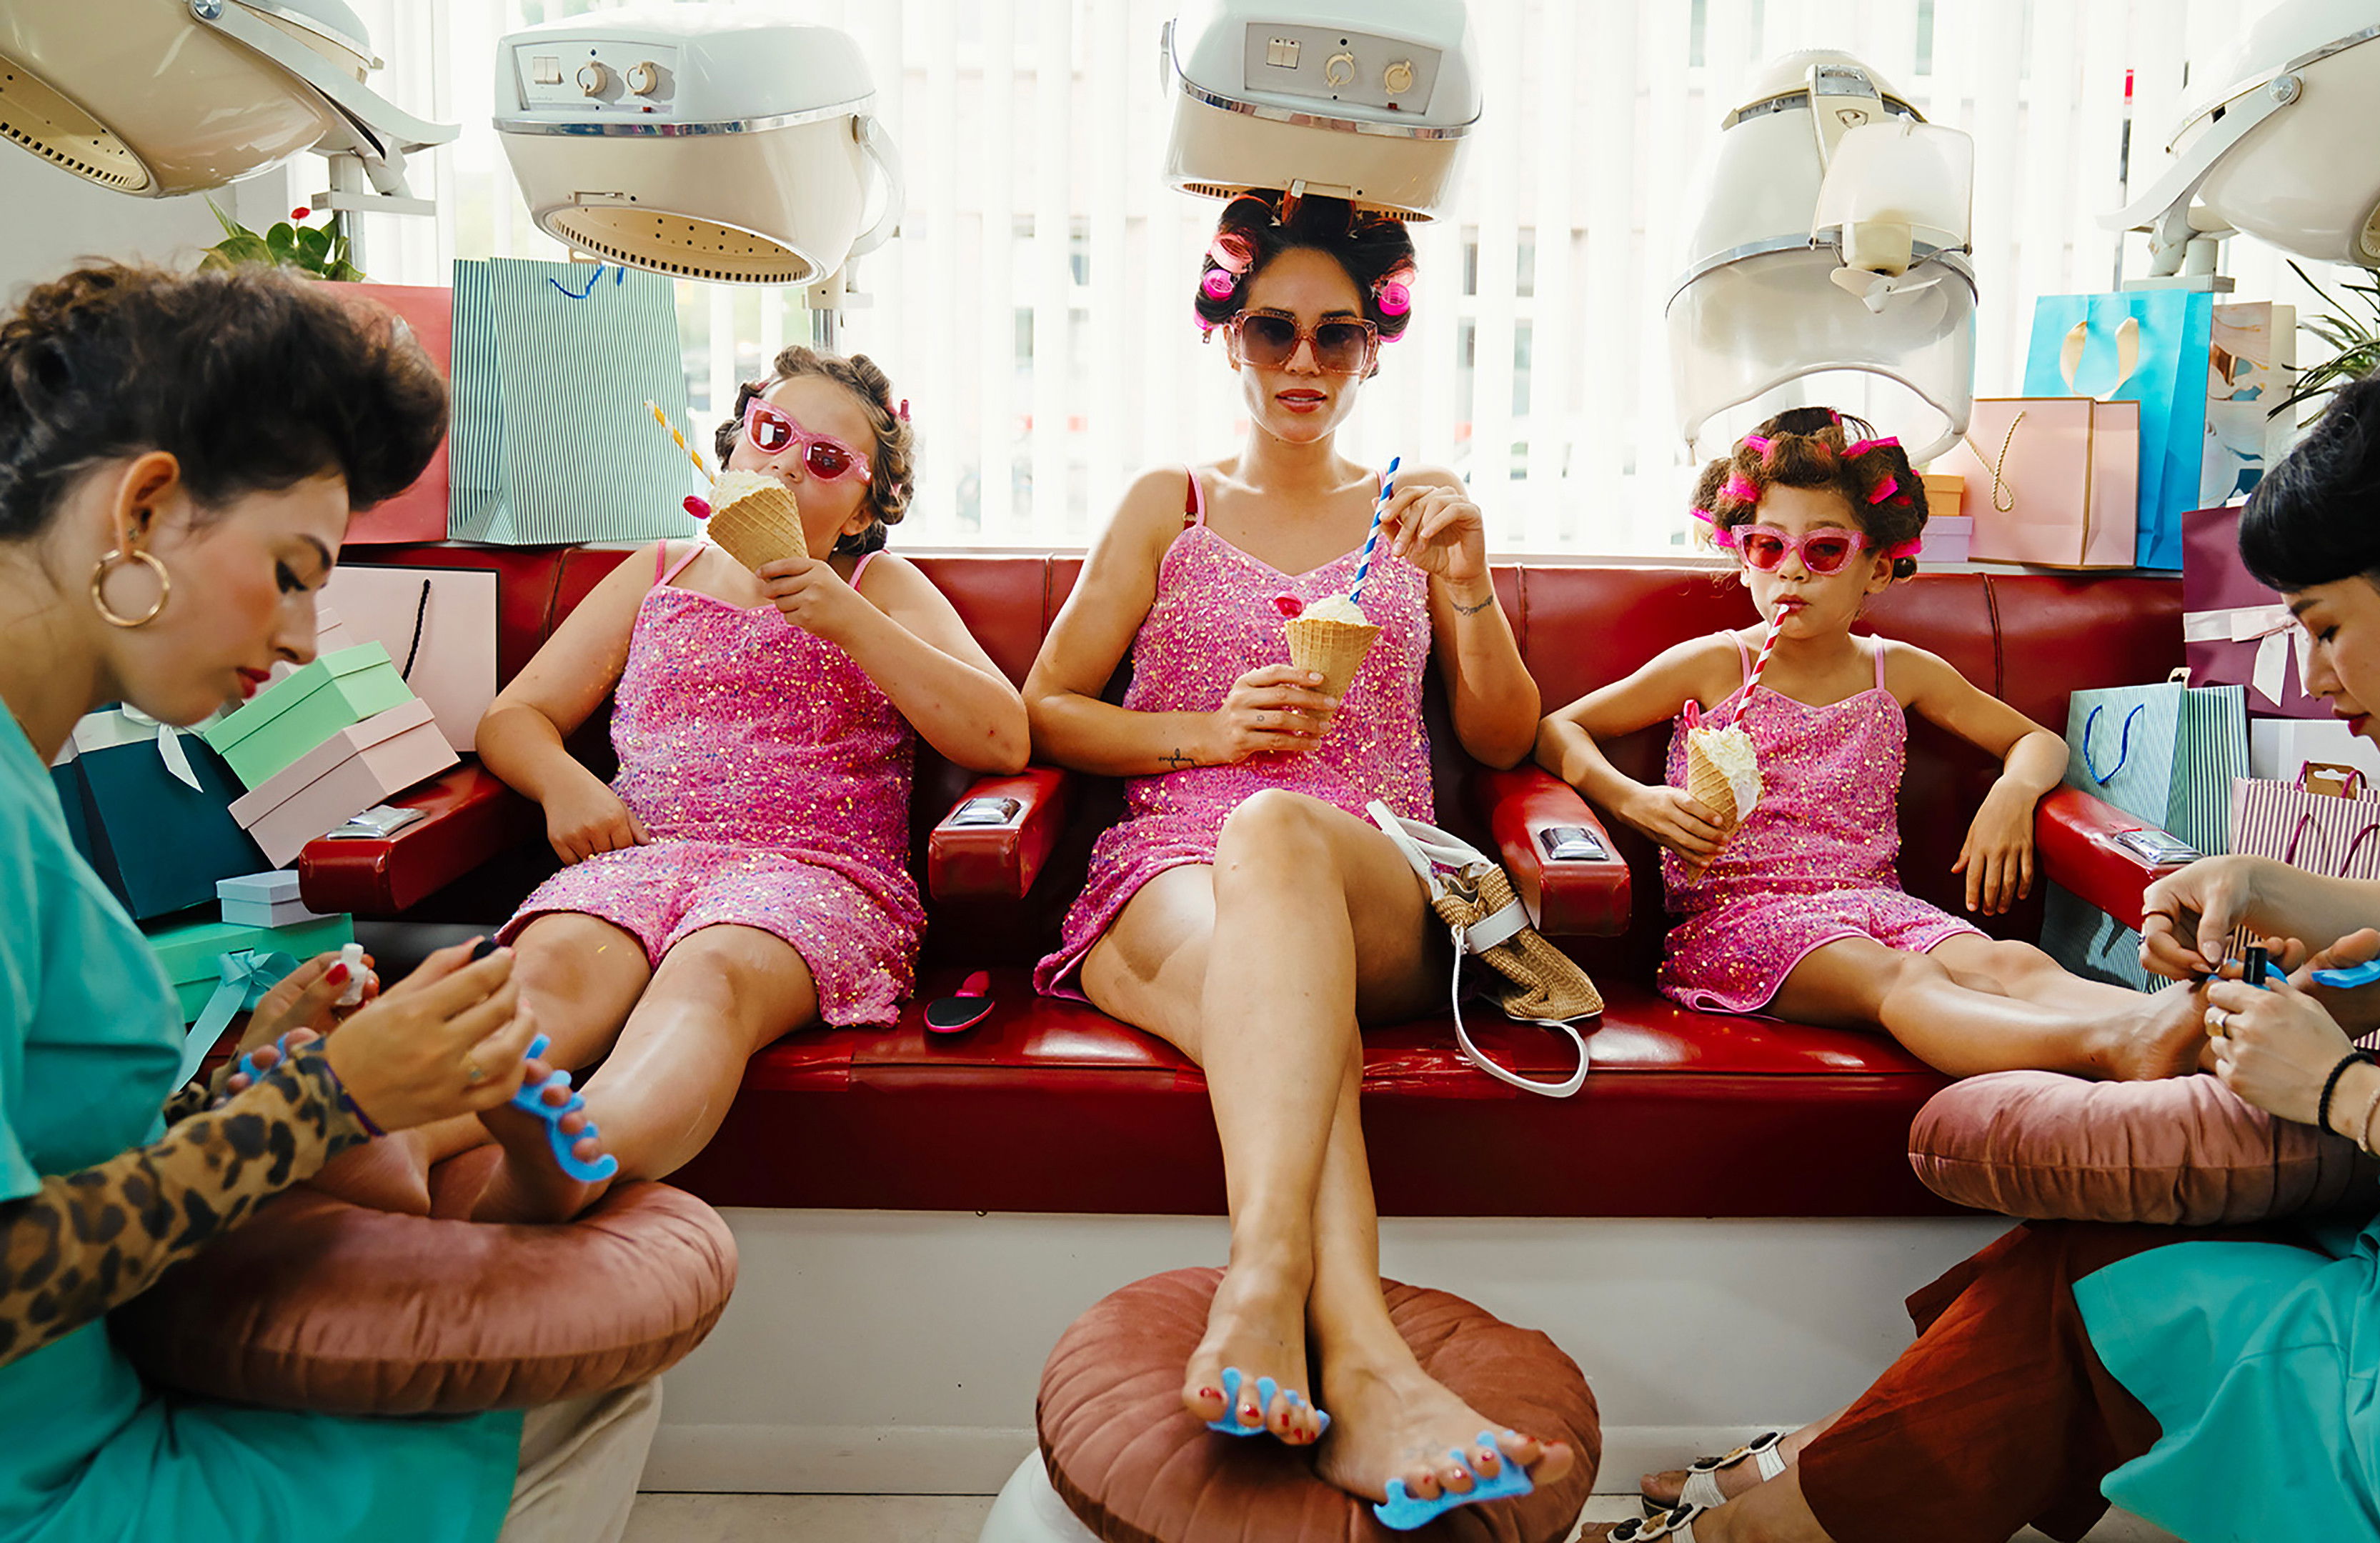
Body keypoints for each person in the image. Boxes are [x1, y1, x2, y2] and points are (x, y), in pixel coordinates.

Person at [1580, 361, 2380, 1542]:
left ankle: (1763, 1520)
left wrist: (2339, 1093)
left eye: (2326, 627)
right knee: (2091, 1265)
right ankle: (1797, 1489)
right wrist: (2263, 883)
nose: (2316, 679)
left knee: (2086, 1302)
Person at [0, 261, 653, 1542]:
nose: (305, 641)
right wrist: (325, 1102)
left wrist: (246, 1067)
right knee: (583, 1386)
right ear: (144, 507)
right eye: (294, 572)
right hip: (49, 1495)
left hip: (98, 1412)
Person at [1022, 194, 1574, 1512]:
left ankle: (1263, 1284)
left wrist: (1470, 580)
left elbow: (1502, 738)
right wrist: (1210, 733)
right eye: (1275, 329)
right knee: (1269, 984)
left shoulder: (1416, 513)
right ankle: (1369, 1366)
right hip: (1170, 873)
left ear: (1378, 345)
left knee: (1274, 829)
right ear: (1230, 336)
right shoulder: (1169, 503)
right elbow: (1048, 707)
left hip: (1379, 873)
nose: (1305, 361)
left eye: (1338, 333)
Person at [337, 347, 1028, 1225]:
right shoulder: (659, 571)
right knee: (552, 967)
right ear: (735, 444)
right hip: (641, 855)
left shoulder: (877, 588)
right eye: (773, 434)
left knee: (713, 974)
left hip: (816, 876)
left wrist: (850, 620)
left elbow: (1002, 737)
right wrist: (566, 786)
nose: (787, 463)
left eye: (826, 459)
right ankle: (401, 1143)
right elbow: (516, 717)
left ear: (862, 508)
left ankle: (579, 1153)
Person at [1538, 407, 2205, 1082]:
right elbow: (1558, 729)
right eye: (1767, 547)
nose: (1791, 572)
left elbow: (2035, 741)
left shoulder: (1899, 671)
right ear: (1742, 559)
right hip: (1741, 923)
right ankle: (2116, 1047)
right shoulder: (1715, 665)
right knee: (1904, 977)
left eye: (1824, 550)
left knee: (2012, 964)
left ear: (1878, 569)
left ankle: (2202, 1038)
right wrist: (1632, 800)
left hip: (1879, 905)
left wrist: (2014, 792)